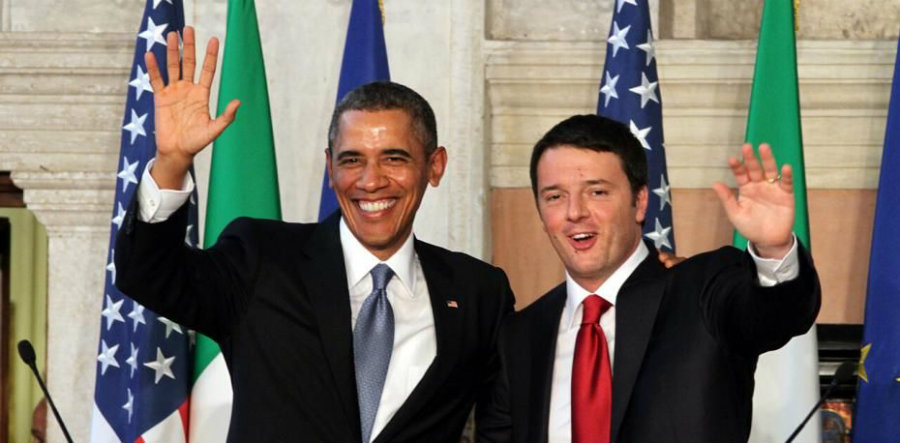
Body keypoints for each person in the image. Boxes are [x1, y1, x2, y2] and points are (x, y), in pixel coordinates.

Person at [114, 27, 513, 442]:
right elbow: (147, 274)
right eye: (352, 160)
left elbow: (504, 424)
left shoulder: (478, 293)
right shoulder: (261, 259)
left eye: (394, 158)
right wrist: (171, 162)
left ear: (435, 166)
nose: (371, 181)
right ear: (330, 168)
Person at [489, 114, 821, 443]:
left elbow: (778, 315)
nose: (575, 212)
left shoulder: (703, 290)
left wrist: (773, 247)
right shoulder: (520, 337)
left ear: (640, 202)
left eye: (597, 192)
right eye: (555, 197)